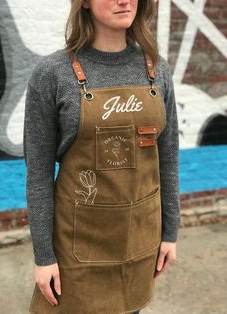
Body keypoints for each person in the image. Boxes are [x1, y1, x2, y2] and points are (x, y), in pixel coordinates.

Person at [24, 0, 180, 313]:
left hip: (139, 239)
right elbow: (38, 175)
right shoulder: (52, 74)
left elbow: (168, 159)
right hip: (78, 244)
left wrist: (170, 232)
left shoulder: (156, 69)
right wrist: (44, 257)